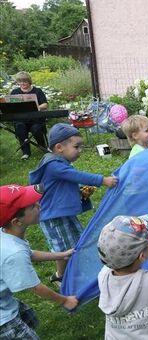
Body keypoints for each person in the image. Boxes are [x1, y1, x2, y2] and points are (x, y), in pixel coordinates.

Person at [28, 123, 118, 285]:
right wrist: (103, 180)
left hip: (63, 214)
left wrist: (79, 193)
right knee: (63, 248)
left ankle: (76, 271)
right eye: (76, 146)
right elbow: (76, 175)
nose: (79, 150)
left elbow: (62, 185)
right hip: (53, 217)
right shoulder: (53, 165)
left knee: (77, 241)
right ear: (59, 147)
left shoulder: (57, 162)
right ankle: (60, 276)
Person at [0, 184, 78, 339]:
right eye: (32, 206)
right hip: (3, 318)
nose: (39, 205)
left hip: (5, 301)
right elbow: (35, 288)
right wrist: (65, 300)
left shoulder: (7, 236)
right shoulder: (14, 253)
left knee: (30, 321)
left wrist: (61, 255)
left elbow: (29, 254)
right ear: (17, 222)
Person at [10, 71, 49, 160]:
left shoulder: (37, 91)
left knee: (36, 128)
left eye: (24, 81)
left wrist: (38, 107)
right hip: (21, 119)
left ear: (29, 81)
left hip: (36, 119)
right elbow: (11, 106)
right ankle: (26, 152)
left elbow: (45, 105)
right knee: (19, 126)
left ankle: (42, 147)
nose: (22, 84)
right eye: (20, 81)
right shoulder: (15, 92)